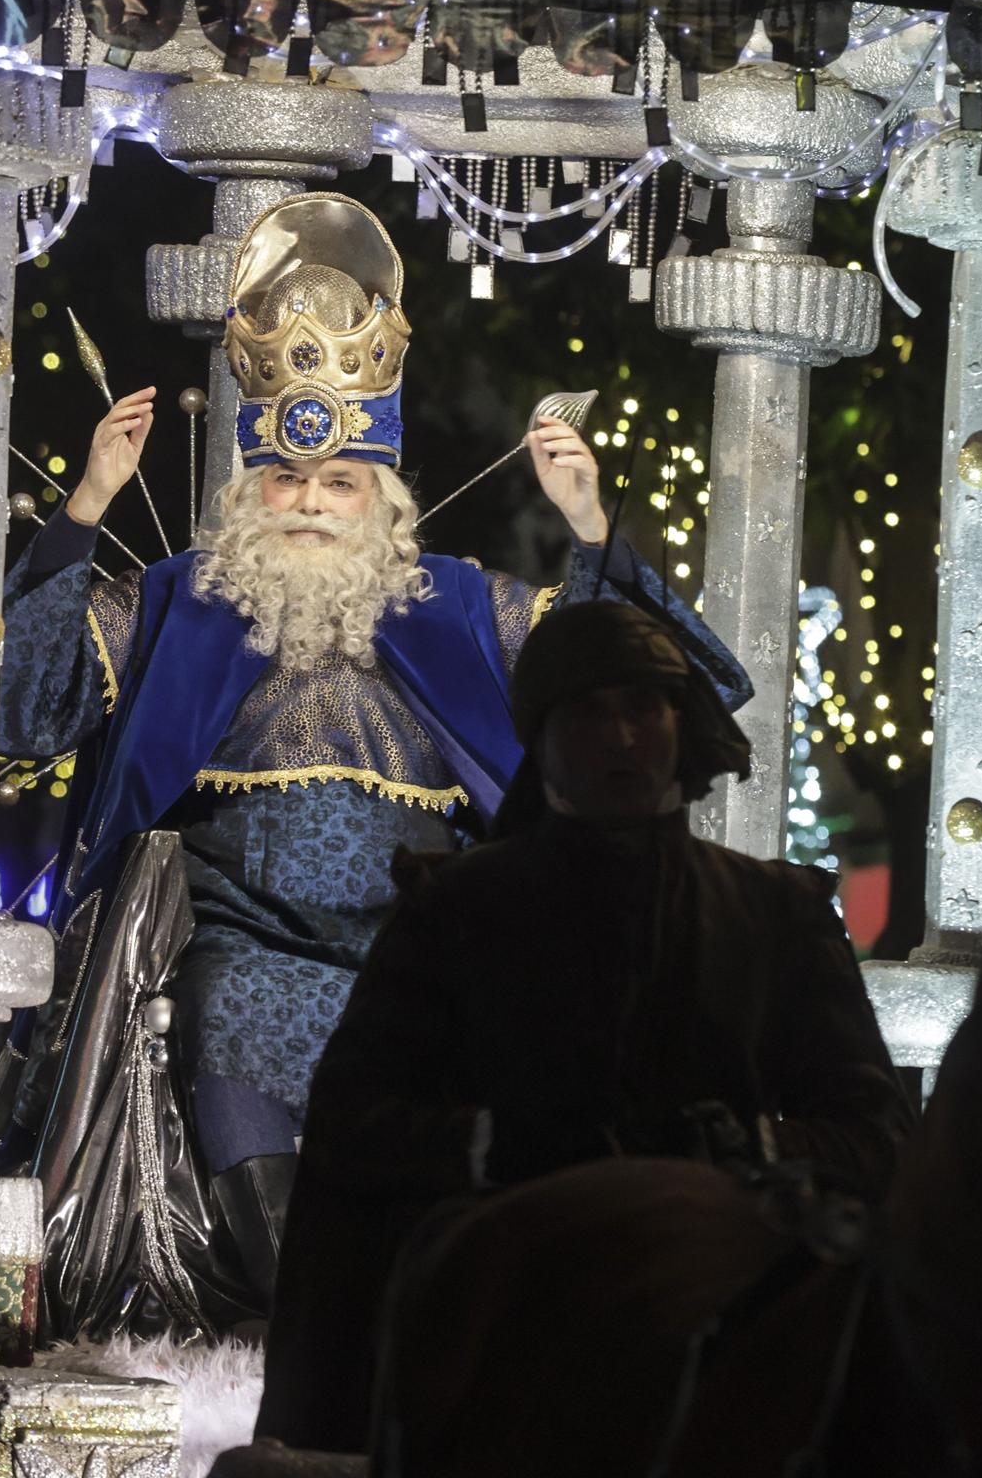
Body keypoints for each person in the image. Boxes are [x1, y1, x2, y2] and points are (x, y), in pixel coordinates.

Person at [0, 195, 750, 1338]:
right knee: (230, 1016)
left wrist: (591, 530)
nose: (309, 504)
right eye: (287, 483)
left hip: (424, 952)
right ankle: (322, 1337)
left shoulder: (465, 605)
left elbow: (671, 689)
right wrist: (86, 506)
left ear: (380, 501)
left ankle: (419, 1342)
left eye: (338, 483)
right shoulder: (180, 599)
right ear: (248, 492)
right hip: (237, 942)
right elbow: (26, 707)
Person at [257, 598, 913, 1453]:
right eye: (588, 712)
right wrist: (499, 1146)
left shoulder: (775, 916)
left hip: (724, 1317)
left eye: (643, 708)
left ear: (679, 727)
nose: (621, 737)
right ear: (543, 736)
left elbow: (877, 1137)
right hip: (505, 1317)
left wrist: (752, 1148)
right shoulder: (454, 909)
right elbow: (353, 1123)